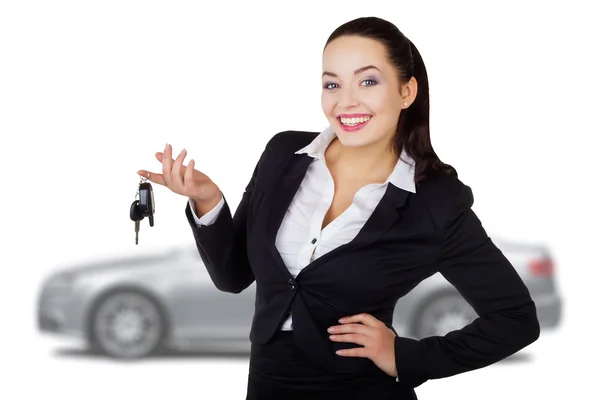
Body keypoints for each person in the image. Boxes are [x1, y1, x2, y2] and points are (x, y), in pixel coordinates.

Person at [138, 16, 539, 400]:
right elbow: (233, 276)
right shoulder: (283, 155)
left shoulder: (436, 200)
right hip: (268, 386)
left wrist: (404, 356)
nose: (346, 102)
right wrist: (207, 201)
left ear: (406, 92)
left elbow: (514, 319)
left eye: (367, 81)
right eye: (332, 84)